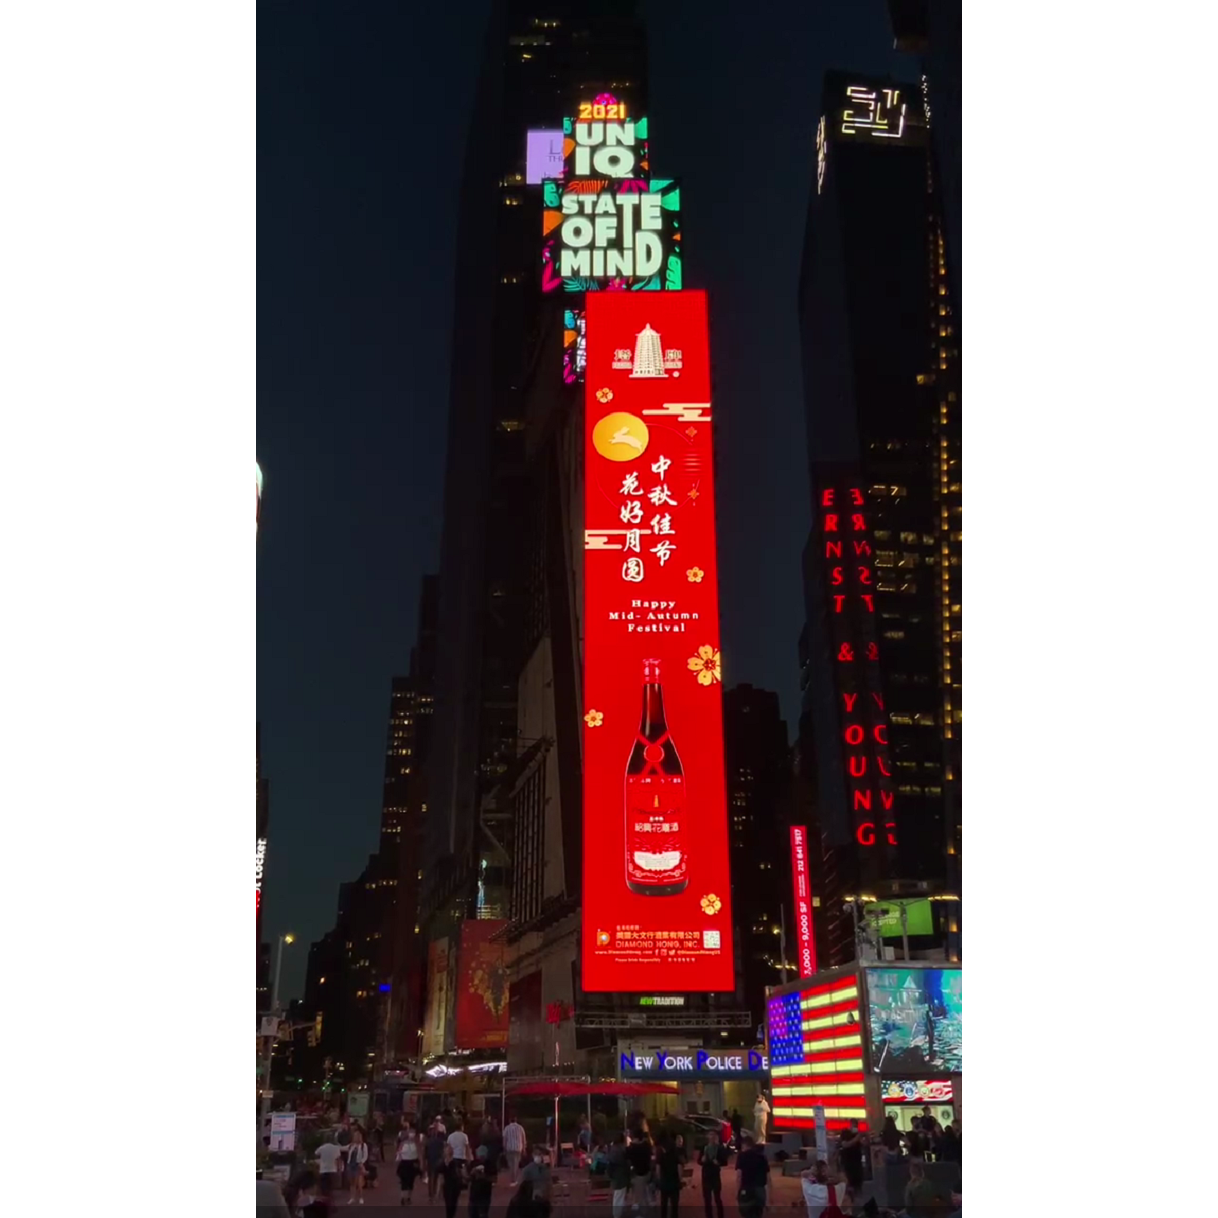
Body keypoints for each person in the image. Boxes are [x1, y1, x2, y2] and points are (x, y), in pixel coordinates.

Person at [734, 1135, 769, 1218]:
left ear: (744, 1145)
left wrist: (737, 1192)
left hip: (747, 1190)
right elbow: (768, 1178)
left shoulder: (741, 1156)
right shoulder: (762, 1157)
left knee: (746, 1213)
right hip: (760, 1190)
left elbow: (739, 1176)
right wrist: (768, 1198)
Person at [698, 1129, 729, 1218]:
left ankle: (720, 1215)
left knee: (717, 1198)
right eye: (710, 1135)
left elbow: (725, 1161)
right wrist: (702, 1160)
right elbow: (699, 1160)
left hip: (715, 1175)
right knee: (707, 1199)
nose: (711, 1137)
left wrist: (718, 1162)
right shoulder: (704, 1147)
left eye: (713, 1135)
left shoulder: (719, 1148)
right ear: (707, 1136)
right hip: (706, 1175)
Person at [626, 1128, 654, 1218]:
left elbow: (628, 1158)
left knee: (640, 1196)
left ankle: (642, 1214)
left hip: (638, 1173)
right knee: (644, 1193)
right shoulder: (646, 1145)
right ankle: (645, 1211)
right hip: (647, 1172)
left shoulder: (633, 1148)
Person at [656, 1133, 683, 1218]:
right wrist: (680, 1179)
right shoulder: (675, 1153)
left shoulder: (661, 1154)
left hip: (664, 1181)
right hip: (674, 1181)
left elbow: (658, 1168)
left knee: (664, 1203)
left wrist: (659, 1179)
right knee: (674, 1204)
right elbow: (679, 1167)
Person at [396, 1119, 423, 1205]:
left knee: (409, 1179)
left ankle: (407, 1197)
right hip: (407, 1159)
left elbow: (419, 1145)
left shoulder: (415, 1135)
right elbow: (398, 1144)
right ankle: (405, 1197)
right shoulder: (402, 1134)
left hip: (411, 1158)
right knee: (406, 1179)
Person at [521, 1147, 553, 1218]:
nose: (538, 1156)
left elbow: (549, 1182)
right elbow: (524, 1185)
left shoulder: (545, 1169)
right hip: (533, 1194)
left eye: (540, 1154)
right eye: (537, 1154)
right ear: (533, 1155)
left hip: (544, 1195)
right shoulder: (527, 1169)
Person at [836, 1120, 865, 1192]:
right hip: (848, 1162)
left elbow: (864, 1144)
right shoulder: (845, 1133)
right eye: (853, 1125)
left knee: (857, 1183)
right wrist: (857, 1138)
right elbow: (845, 1144)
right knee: (849, 1182)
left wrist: (865, 1136)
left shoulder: (858, 1134)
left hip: (857, 1162)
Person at [608, 1132, 632, 1218]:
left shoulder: (612, 1149)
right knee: (619, 1196)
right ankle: (617, 1214)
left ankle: (617, 1214)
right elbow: (627, 1163)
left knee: (618, 1196)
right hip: (622, 1175)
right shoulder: (622, 1150)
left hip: (615, 1175)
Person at [438, 1145, 466, 1218]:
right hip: (447, 1186)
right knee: (448, 1204)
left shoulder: (456, 1162)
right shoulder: (442, 1163)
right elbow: (441, 1178)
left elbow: (462, 1173)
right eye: (447, 1149)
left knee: (453, 1203)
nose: (449, 1151)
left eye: (450, 1149)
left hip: (455, 1186)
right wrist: (439, 1191)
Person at [317, 1134, 345, 1201]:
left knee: (324, 1187)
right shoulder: (336, 1148)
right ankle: (330, 1200)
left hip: (323, 1169)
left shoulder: (322, 1148)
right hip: (333, 1169)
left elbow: (316, 1153)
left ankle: (324, 1199)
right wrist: (339, 1168)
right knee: (331, 1187)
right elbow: (338, 1159)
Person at [347, 1128, 370, 1205]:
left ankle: (361, 1197)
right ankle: (352, 1197)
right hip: (351, 1164)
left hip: (358, 1164)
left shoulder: (363, 1145)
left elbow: (365, 1155)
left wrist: (361, 1162)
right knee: (352, 1182)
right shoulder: (351, 1145)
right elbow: (345, 1149)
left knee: (359, 1183)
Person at [426, 1122, 448, 1199]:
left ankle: (431, 1194)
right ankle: (435, 1193)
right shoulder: (441, 1143)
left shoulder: (429, 1141)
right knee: (436, 1177)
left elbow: (425, 1152)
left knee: (431, 1177)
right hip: (437, 1160)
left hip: (430, 1160)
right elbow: (443, 1152)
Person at [503, 1114, 527, 1184]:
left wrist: (504, 1148)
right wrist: (524, 1149)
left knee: (510, 1164)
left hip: (509, 1148)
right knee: (516, 1164)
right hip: (518, 1148)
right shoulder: (520, 1128)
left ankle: (512, 1178)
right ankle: (514, 1179)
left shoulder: (507, 1128)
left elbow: (504, 1139)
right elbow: (523, 1139)